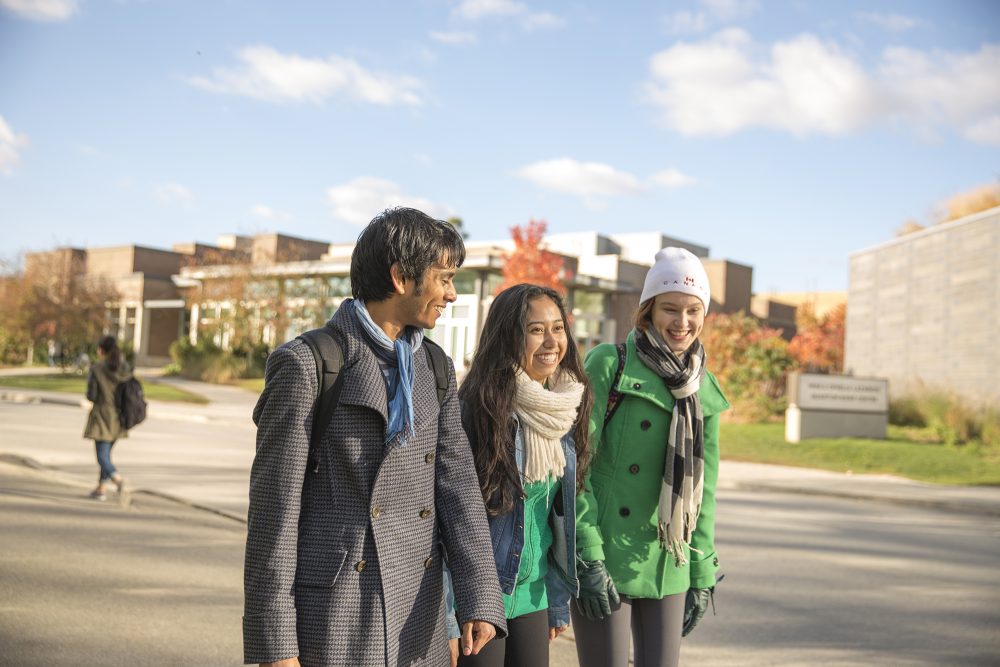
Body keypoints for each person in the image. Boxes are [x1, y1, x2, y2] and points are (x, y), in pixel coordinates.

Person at [243, 207, 506, 667]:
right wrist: (275, 647)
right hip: (333, 614)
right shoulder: (308, 364)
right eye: (443, 278)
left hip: (417, 617)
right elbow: (274, 515)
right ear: (401, 277)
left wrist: (478, 593)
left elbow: (458, 488)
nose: (452, 293)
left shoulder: (434, 367)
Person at [572, 247, 730, 667]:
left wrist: (702, 573)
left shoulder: (703, 389)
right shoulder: (610, 364)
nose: (682, 323)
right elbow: (578, 467)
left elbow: (704, 493)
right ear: (648, 311)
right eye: (670, 309)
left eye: (693, 311)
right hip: (605, 553)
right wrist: (587, 553)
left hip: (668, 556)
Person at [444, 284, 593, 667]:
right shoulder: (477, 410)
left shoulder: (564, 408)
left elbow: (556, 516)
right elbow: (448, 517)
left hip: (534, 595)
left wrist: (557, 600)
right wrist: (448, 613)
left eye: (558, 328)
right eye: (535, 329)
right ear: (509, 335)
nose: (551, 341)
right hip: (479, 597)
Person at [83, 335, 131, 501]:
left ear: (102, 350)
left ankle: (118, 480)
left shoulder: (97, 369)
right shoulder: (124, 367)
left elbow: (92, 395)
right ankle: (101, 489)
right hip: (120, 417)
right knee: (107, 454)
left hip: (103, 416)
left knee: (102, 457)